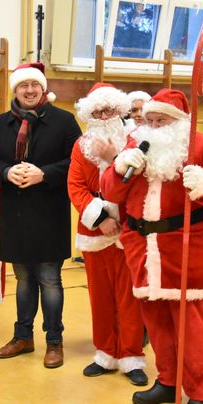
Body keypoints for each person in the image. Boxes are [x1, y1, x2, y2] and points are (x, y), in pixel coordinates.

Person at [100, 89, 203, 404]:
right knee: (157, 323)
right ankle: (167, 381)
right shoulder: (135, 145)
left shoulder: (202, 147)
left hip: (186, 248)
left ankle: (200, 393)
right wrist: (119, 169)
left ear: (178, 122)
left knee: (192, 327)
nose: (152, 126)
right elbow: (109, 191)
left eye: (160, 120)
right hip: (143, 249)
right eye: (148, 120)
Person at [0, 62, 81, 369]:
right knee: (23, 279)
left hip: (50, 212)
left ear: (43, 88)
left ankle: (54, 341)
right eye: (23, 86)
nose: (29, 90)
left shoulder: (64, 121)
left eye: (34, 85)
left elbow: (77, 162)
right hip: (15, 214)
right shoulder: (1, 123)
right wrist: (6, 171)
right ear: (15, 90)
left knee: (50, 279)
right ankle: (23, 337)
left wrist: (45, 174)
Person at [68, 82, 147, 384]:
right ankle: (105, 353)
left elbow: (139, 183)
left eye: (109, 110)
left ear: (119, 110)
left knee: (130, 298)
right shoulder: (80, 146)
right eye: (98, 112)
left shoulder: (136, 141)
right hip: (95, 232)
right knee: (100, 297)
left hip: (129, 229)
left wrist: (115, 156)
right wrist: (100, 218)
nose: (104, 116)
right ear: (90, 114)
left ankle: (131, 356)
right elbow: (75, 186)